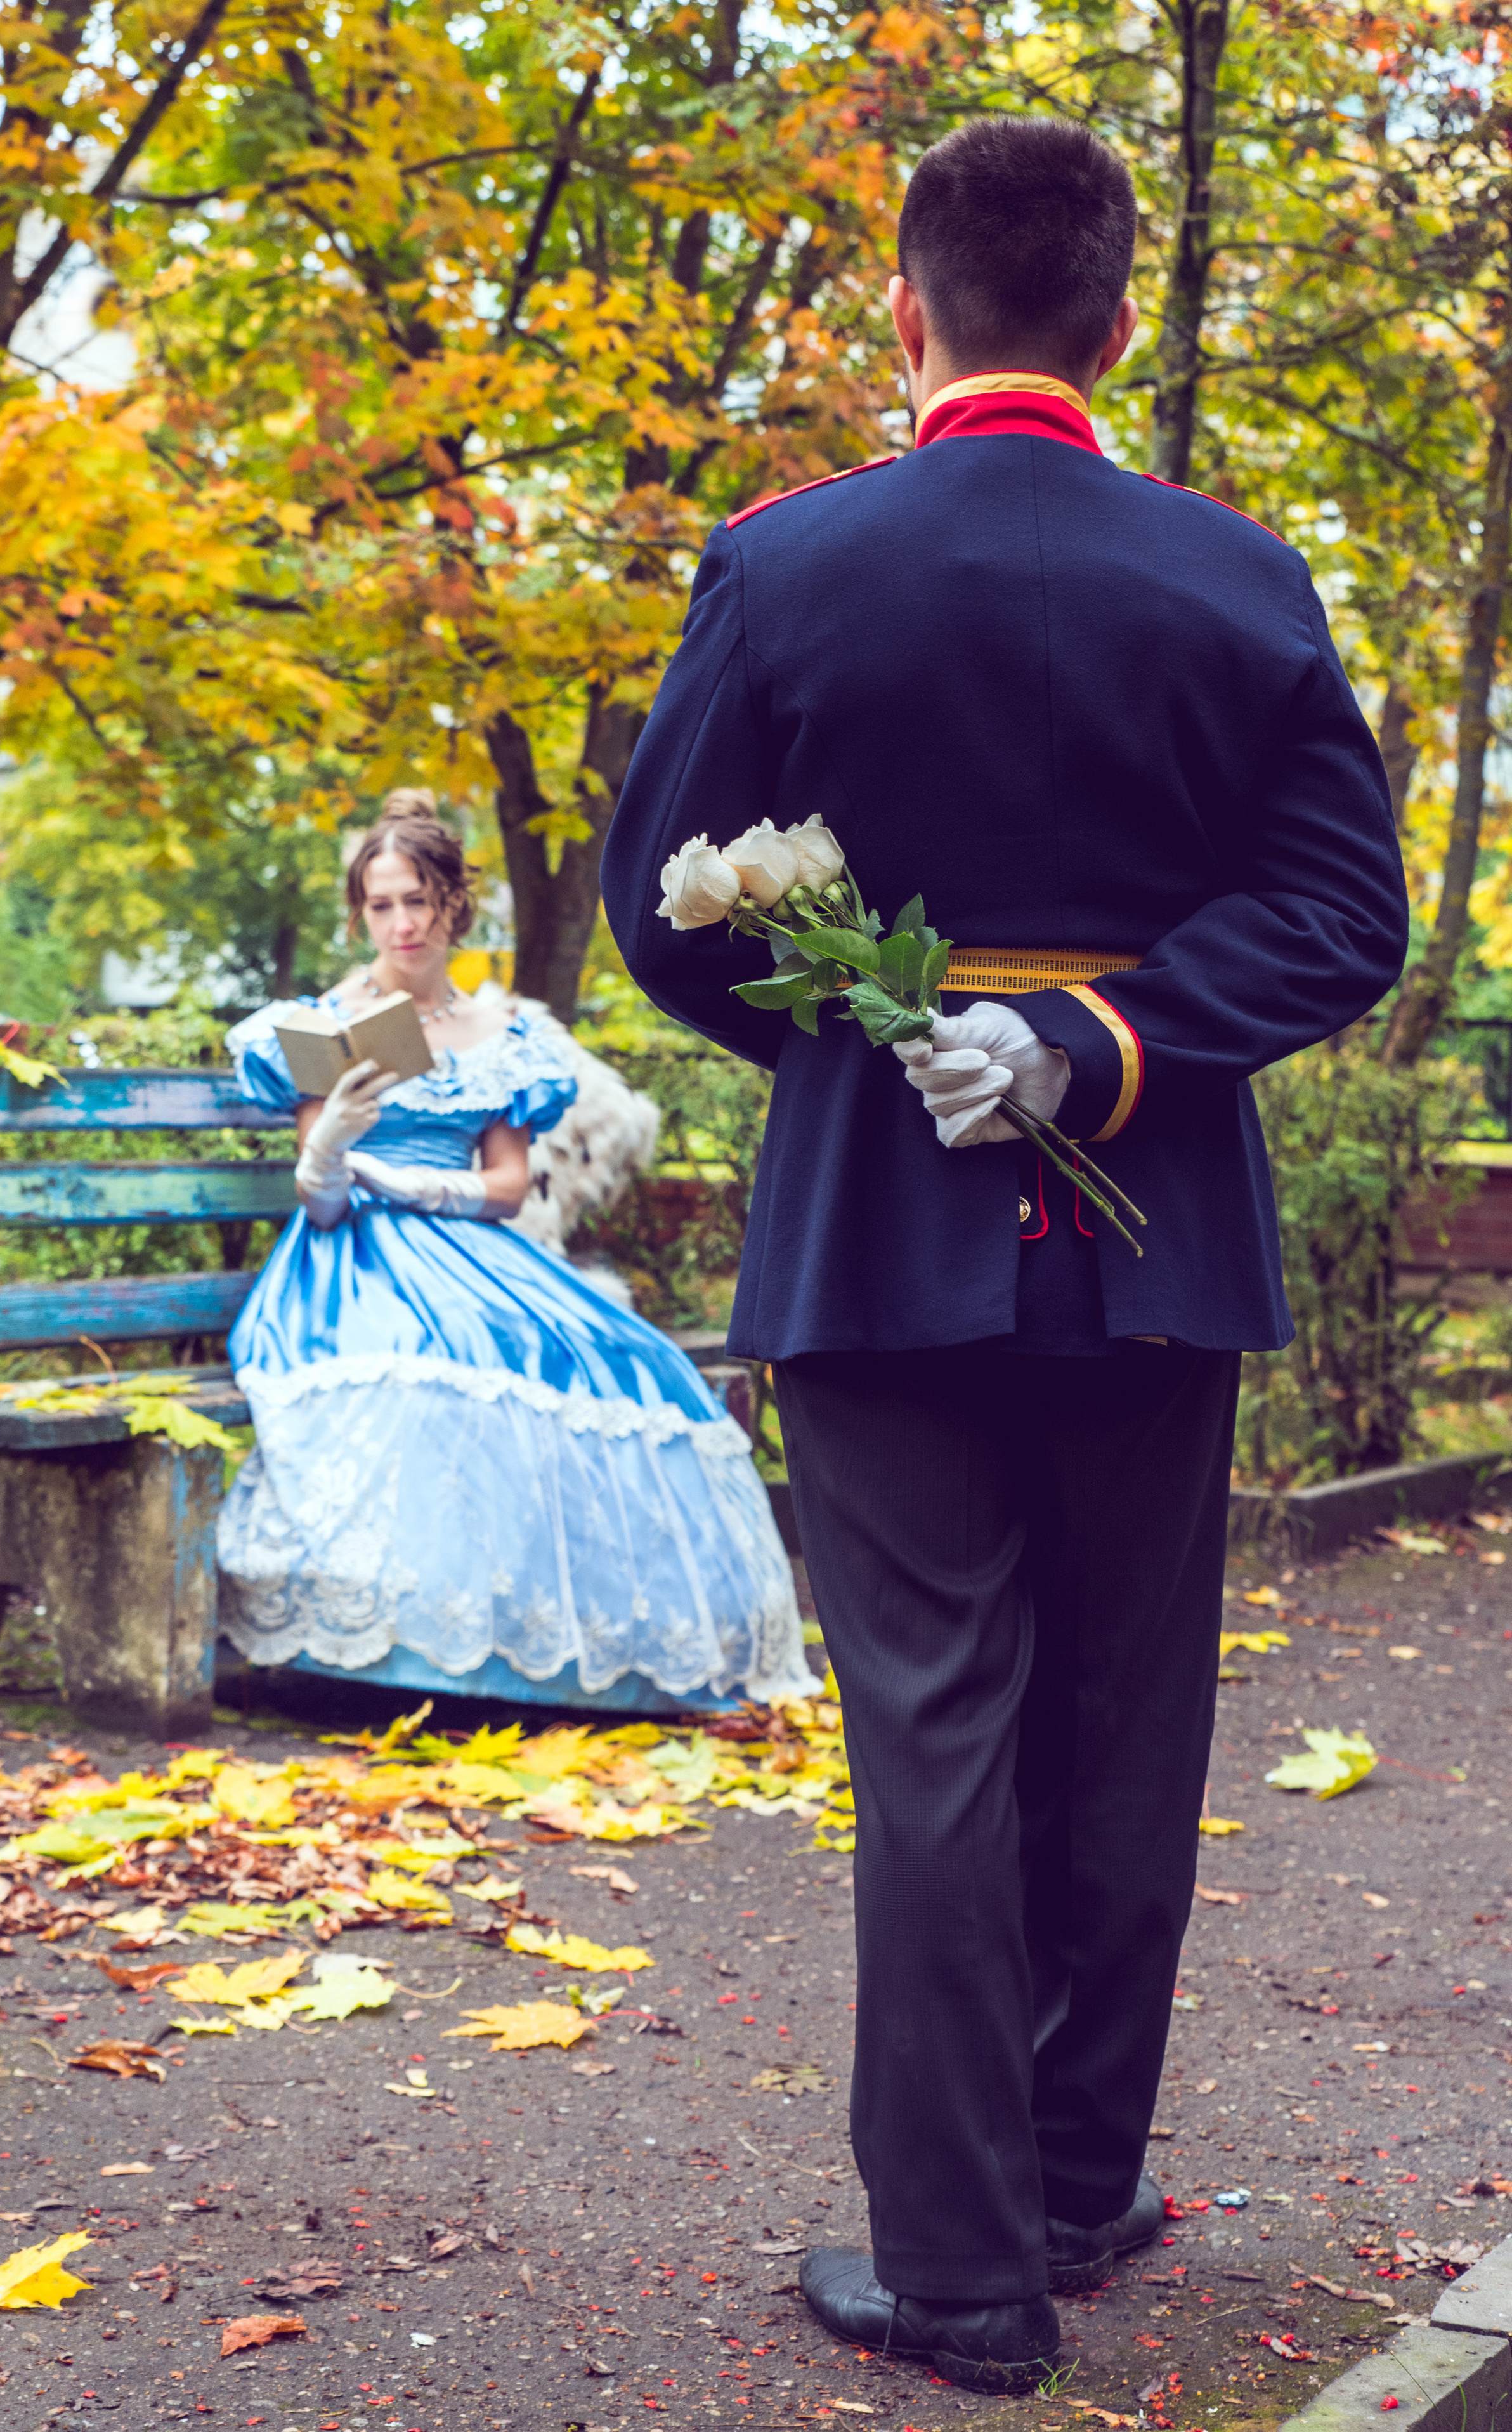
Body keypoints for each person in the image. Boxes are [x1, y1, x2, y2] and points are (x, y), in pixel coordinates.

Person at [601, 117, 1409, 2391]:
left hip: (880, 1227)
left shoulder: (782, 567)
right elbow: (1353, 912)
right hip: (1159, 1237)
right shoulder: (1245, 583)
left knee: (938, 1724)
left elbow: (664, 906)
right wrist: (1106, 1041)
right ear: (1122, 318)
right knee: (1132, 1720)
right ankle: (1076, 2181)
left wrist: (881, 1031)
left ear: (904, 304)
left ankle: (966, 2273)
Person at [218, 794, 810, 1709]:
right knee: (428, 1362)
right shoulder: (320, 1025)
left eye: (418, 899)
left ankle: (568, 1645)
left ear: (453, 903)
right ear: (361, 914)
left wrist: (433, 1188)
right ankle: (400, 1646)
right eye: (381, 905)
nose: (403, 922)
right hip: (351, 1258)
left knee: (617, 1354)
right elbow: (321, 1205)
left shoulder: (505, 1041)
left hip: (472, 1239)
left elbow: (505, 1182)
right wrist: (331, 1143)